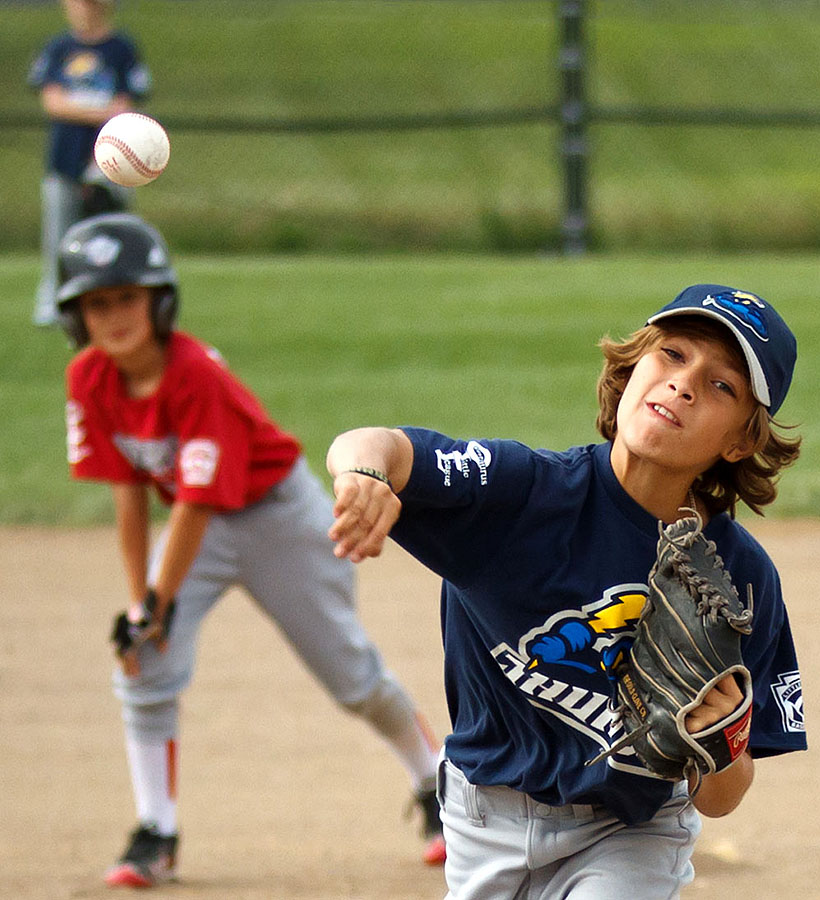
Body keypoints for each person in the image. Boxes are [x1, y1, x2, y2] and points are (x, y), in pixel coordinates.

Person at [326, 284, 807, 899]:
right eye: (673, 355)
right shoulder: (523, 497)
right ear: (635, 365)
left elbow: (723, 798)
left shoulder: (739, 583)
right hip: (483, 817)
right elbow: (381, 446)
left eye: (722, 386)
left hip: (631, 830)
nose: (684, 384)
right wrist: (363, 474)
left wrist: (722, 741)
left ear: (741, 439)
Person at [56, 213, 447, 889]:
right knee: (142, 656)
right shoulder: (89, 380)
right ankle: (157, 832)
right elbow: (128, 494)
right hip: (196, 532)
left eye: (127, 297)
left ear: (159, 301)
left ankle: (435, 786)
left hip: (277, 519)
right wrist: (141, 605)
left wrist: (159, 597)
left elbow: (195, 500)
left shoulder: (195, 374)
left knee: (350, 676)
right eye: (97, 303)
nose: (114, 315)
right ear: (75, 316)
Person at [28, 0, 151, 326]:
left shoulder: (120, 48)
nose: (82, 10)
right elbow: (52, 102)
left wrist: (87, 109)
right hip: (65, 158)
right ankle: (53, 303)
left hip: (112, 163)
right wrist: (99, 110)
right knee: (59, 235)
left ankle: (116, 303)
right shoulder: (59, 48)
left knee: (112, 235)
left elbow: (124, 103)